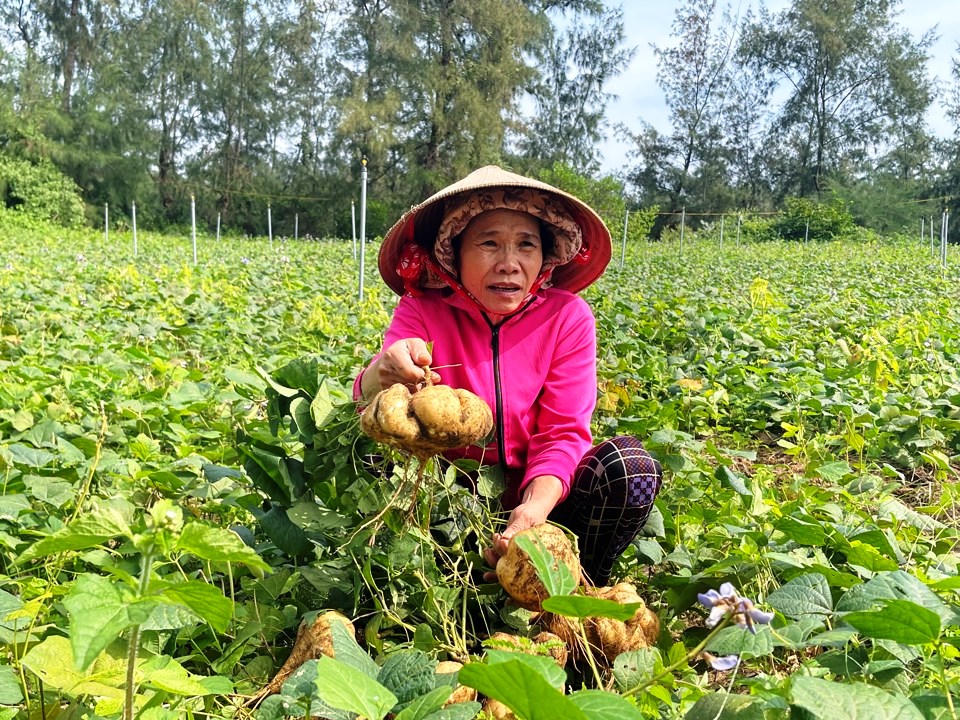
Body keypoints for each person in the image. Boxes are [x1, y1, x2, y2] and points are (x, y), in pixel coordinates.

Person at [353, 165, 662, 586]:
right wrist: (381, 374)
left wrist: (533, 510)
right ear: (453, 252)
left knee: (630, 468)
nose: (509, 264)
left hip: (542, 503)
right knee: (370, 452)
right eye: (489, 243)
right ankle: (424, 576)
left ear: (545, 256)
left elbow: (562, 432)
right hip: (445, 502)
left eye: (526, 245)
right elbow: (372, 406)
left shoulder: (567, 317)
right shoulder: (422, 310)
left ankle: (579, 584)